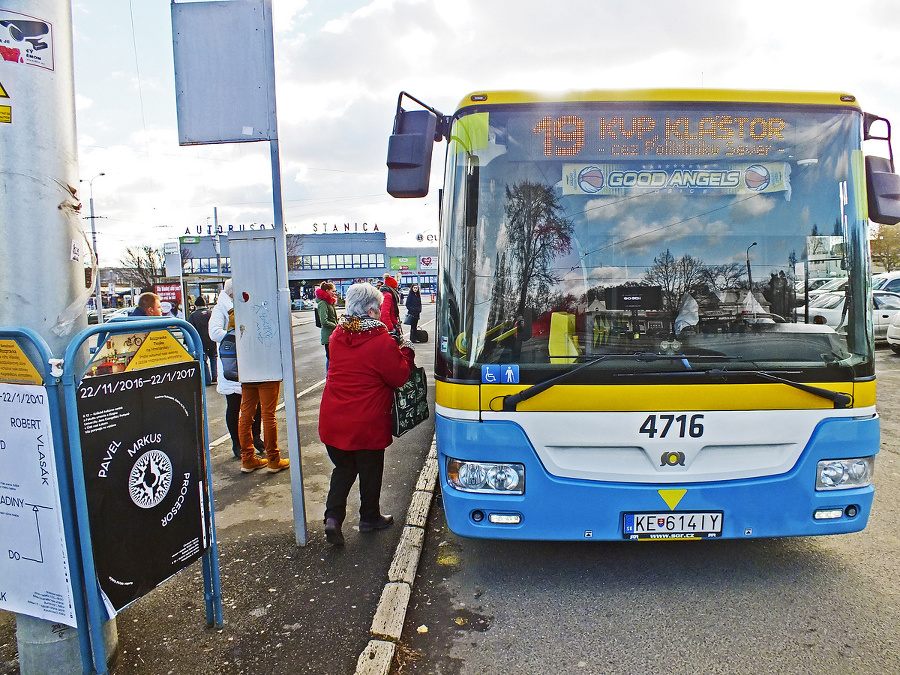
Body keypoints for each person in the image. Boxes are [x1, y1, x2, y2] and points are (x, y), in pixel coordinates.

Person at [318, 282, 416, 545]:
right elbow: (398, 375)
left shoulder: (338, 335)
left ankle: (333, 518)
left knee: (344, 468)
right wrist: (405, 349)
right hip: (367, 422)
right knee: (370, 470)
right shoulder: (380, 341)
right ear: (372, 311)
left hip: (333, 420)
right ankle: (369, 517)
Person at [208, 279, 265, 463]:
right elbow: (214, 332)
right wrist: (235, 335)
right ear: (233, 293)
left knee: (255, 404)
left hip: (248, 360)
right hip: (232, 362)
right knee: (234, 405)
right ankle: (237, 443)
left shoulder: (240, 304)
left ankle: (255, 437)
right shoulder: (221, 308)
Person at [188, 296, 217, 385]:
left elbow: (190, 329)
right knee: (213, 358)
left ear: (196, 306)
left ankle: (207, 380)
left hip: (201, 342)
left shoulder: (193, 316)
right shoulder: (211, 313)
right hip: (212, 340)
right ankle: (215, 377)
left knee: (203, 360)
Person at [315, 281, 339, 371]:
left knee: (333, 357)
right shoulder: (323, 303)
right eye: (333, 291)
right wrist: (336, 326)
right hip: (328, 335)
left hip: (332, 333)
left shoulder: (329, 302)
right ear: (327, 291)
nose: (334, 293)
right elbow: (324, 321)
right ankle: (328, 377)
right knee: (330, 357)